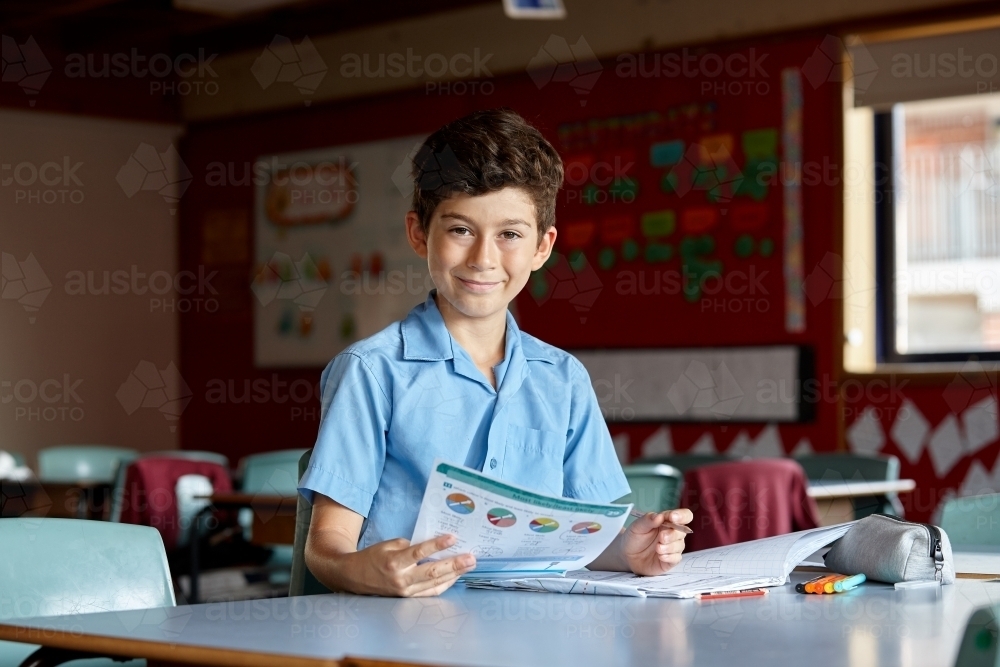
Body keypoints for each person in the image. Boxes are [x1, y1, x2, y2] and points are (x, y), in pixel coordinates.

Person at [300, 108, 693, 597]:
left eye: (509, 234)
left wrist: (630, 550)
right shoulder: (372, 372)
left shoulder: (562, 378)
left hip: (534, 633)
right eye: (460, 230)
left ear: (542, 247)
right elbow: (325, 549)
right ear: (420, 234)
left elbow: (586, 539)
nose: (483, 258)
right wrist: (364, 570)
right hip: (404, 629)